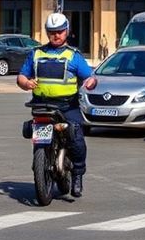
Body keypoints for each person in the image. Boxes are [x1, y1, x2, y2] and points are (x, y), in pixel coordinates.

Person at [16, 13, 96, 198]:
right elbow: (21, 76)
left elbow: (89, 76)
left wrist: (90, 82)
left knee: (76, 138)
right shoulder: (36, 53)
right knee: (37, 137)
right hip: (41, 106)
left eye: (59, 31)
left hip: (67, 106)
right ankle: (41, 165)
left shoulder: (73, 56)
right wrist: (25, 83)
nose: (56, 35)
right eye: (52, 32)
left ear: (66, 31)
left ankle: (77, 174)